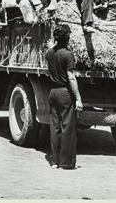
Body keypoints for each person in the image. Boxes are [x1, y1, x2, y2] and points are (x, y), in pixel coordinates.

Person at [46, 24, 83, 170]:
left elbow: (48, 51)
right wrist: (78, 98)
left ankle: (54, 161)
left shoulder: (49, 53)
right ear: (67, 38)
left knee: (54, 128)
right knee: (67, 127)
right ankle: (66, 162)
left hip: (52, 92)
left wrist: (52, 45)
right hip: (64, 93)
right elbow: (71, 77)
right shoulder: (68, 54)